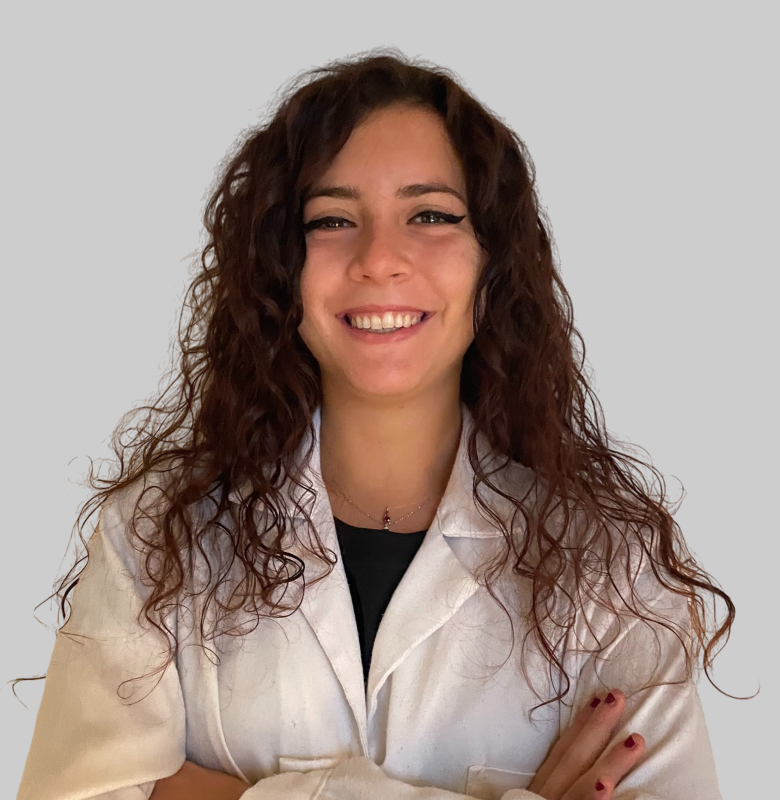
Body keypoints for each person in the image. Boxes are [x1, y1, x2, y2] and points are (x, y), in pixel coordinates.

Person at [14, 49, 739, 800]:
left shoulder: (613, 568)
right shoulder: (156, 533)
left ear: (492, 263)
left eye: (431, 215)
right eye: (331, 220)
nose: (379, 259)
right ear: (279, 266)